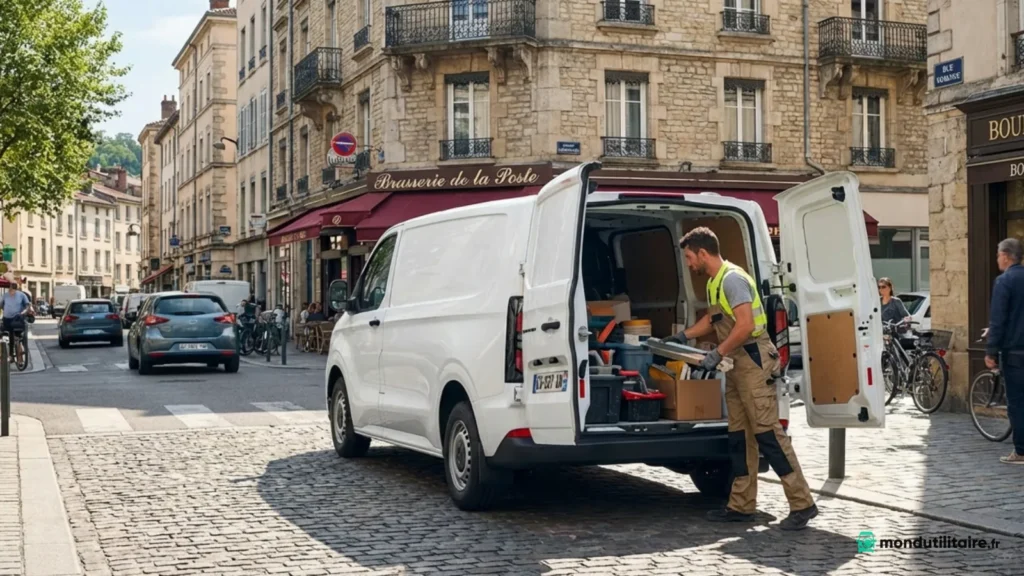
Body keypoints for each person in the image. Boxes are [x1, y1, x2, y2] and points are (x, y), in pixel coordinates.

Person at [670, 227, 817, 530]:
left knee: (767, 434)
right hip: (736, 363)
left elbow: (746, 326)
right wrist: (684, 335)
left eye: (688, 257)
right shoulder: (714, 282)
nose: (688, 263)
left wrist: (717, 352)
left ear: (702, 252)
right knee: (739, 437)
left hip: (752, 359)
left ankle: (803, 504)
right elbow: (715, 320)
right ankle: (741, 505)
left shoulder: (732, 279)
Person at [986, 237, 1024, 465]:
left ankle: (1020, 451)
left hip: (1015, 352)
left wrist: (991, 350)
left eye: (999, 254)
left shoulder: (1005, 281)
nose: (997, 258)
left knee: (1017, 402)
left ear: (1007, 255)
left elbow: (999, 319)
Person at [1, 282, 33, 351]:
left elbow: (27, 306)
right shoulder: (5, 295)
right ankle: (11, 353)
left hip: (18, 318)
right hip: (7, 319)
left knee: (15, 332)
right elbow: (1, 304)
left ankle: (17, 348)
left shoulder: (22, 295)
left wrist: (23, 312)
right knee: (9, 332)